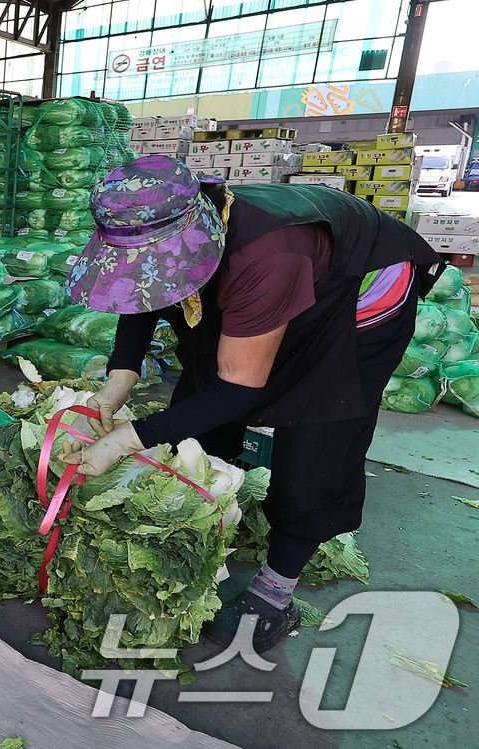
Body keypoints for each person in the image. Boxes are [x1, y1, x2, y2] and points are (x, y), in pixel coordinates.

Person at [59, 155, 445, 652]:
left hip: (360, 293)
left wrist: (127, 439)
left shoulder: (269, 254)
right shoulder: (178, 237)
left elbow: (240, 386)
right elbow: (141, 291)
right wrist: (120, 378)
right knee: (200, 397)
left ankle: (276, 591)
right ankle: (215, 509)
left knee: (318, 426)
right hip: (274, 277)